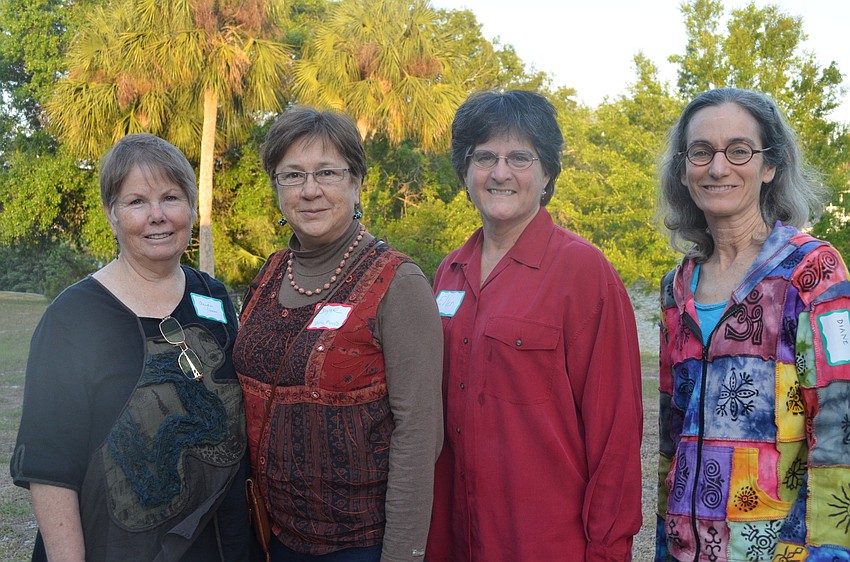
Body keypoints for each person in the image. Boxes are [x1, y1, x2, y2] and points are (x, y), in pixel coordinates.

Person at [425, 90, 644, 561]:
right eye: (485, 157)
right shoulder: (449, 272)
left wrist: (607, 549)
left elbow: (617, 434)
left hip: (544, 543)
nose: (500, 172)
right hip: (455, 540)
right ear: (465, 172)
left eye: (520, 158)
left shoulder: (583, 273)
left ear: (547, 174)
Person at [10, 133, 249, 561]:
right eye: (136, 202)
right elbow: (49, 467)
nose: (157, 216)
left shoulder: (211, 297)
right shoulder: (74, 318)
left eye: (171, 198)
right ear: (111, 214)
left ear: (191, 208)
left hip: (218, 545)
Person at [232, 105, 443, 562]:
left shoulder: (398, 284)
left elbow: (419, 433)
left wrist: (401, 556)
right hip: (269, 537)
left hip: (359, 546)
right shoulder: (269, 274)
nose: (310, 191)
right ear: (276, 187)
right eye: (292, 175)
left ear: (356, 181)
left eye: (327, 172)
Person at [655, 87, 850, 561]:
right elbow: (670, 434)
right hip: (686, 548)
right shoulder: (676, 287)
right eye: (700, 152)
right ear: (684, 169)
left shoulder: (813, 272)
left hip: (778, 550)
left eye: (739, 150)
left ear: (769, 166)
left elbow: (840, 433)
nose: (717, 167)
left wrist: (819, 553)